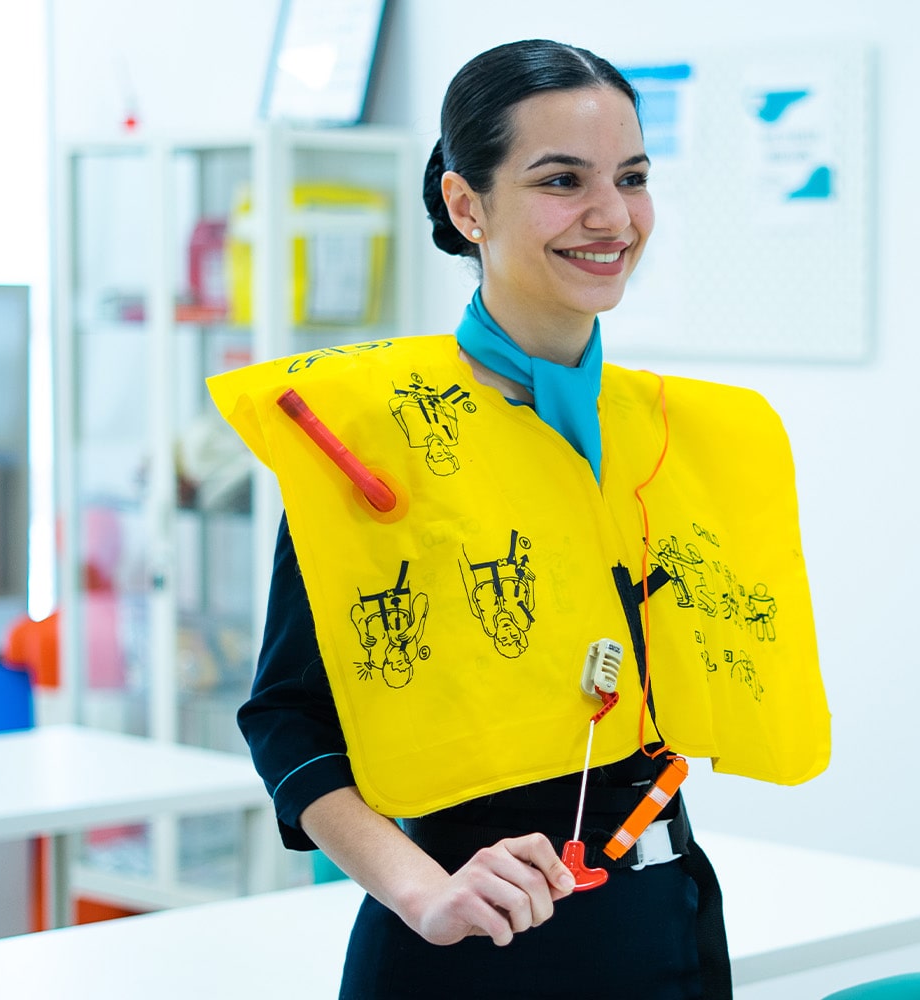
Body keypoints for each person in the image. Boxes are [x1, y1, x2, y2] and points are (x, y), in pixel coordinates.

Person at [215, 39, 829, 999]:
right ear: (468, 206)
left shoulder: (676, 436)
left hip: (668, 924)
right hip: (473, 941)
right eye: (561, 180)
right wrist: (421, 890)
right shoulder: (383, 435)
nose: (611, 215)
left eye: (631, 176)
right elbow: (285, 718)